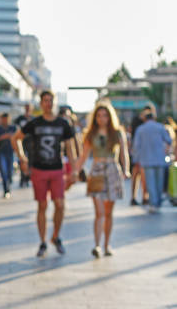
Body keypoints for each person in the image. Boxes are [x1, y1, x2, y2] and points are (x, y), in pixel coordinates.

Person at [12, 90, 78, 257]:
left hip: (57, 169)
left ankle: (55, 236)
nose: (48, 104)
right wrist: (22, 158)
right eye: (45, 101)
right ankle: (42, 241)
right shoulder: (35, 123)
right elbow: (15, 138)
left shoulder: (63, 124)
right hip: (39, 170)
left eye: (51, 100)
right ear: (41, 104)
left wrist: (75, 169)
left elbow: (70, 148)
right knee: (42, 205)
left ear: (55, 103)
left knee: (60, 204)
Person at [74, 102, 130, 258]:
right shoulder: (90, 133)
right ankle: (97, 245)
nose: (102, 118)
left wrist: (126, 170)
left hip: (112, 170)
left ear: (110, 116)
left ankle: (107, 245)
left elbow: (124, 153)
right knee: (99, 212)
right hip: (97, 172)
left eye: (105, 115)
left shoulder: (117, 133)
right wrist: (75, 171)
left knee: (108, 212)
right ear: (95, 117)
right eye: (99, 115)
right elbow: (83, 156)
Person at [132, 109, 173, 213]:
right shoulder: (160, 127)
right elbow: (169, 140)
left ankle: (153, 203)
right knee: (159, 182)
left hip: (146, 160)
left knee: (150, 183)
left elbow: (136, 146)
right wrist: (166, 150)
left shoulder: (140, 129)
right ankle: (157, 202)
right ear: (153, 118)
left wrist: (136, 159)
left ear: (145, 119)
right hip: (160, 159)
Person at [130, 106, 151, 205]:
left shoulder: (146, 122)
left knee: (142, 176)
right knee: (138, 175)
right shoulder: (138, 122)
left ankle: (144, 197)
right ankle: (136, 197)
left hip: (142, 153)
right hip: (139, 153)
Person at [0, 113, 16, 198]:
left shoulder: (13, 128)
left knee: (10, 171)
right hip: (2, 152)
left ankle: (8, 186)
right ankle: (6, 189)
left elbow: (17, 138)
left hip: (11, 152)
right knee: (3, 171)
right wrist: (3, 137)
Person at [14, 104, 34, 187]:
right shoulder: (20, 118)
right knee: (22, 159)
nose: (28, 109)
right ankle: (23, 177)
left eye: (29, 107)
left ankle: (28, 177)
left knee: (31, 160)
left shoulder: (33, 119)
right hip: (22, 141)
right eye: (26, 107)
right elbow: (16, 128)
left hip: (31, 142)